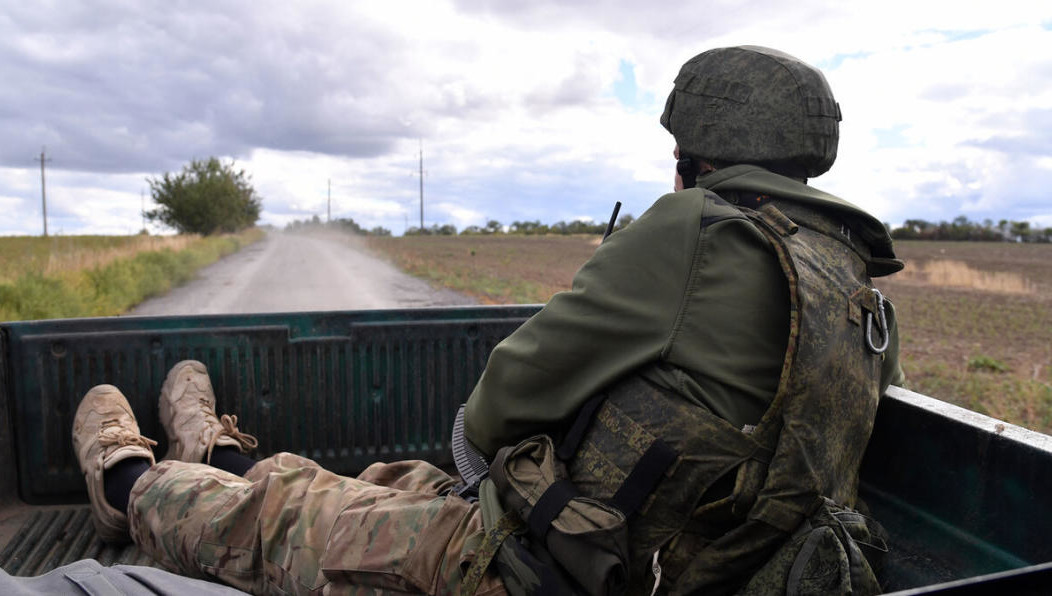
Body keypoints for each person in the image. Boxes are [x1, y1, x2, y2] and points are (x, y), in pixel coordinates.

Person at [72, 45, 903, 596]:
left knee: (277, 521)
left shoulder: (698, 229)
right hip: (640, 559)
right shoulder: (856, 286)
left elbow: (496, 406)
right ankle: (217, 450)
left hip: (534, 572)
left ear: (693, 158)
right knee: (382, 483)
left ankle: (126, 481)